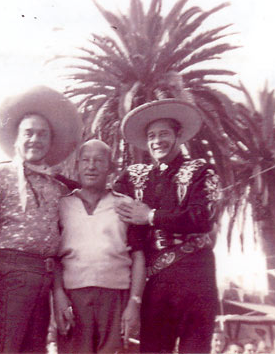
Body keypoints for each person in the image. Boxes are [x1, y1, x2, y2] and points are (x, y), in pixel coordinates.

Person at [0, 86, 82, 353]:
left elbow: (58, 250)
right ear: (17, 139)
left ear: (50, 141)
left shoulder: (58, 189)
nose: (35, 139)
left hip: (42, 284)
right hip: (5, 279)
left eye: (42, 134)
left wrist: (58, 292)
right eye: (29, 133)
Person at [114, 98, 220, 353]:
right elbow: (101, 195)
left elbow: (202, 217)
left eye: (164, 134)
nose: (157, 141)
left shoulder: (201, 171)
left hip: (196, 276)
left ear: (179, 135)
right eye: (151, 135)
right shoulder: (134, 176)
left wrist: (151, 216)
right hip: (155, 284)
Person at [54, 139, 146, 353]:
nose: (91, 166)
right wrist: (58, 295)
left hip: (116, 299)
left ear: (110, 168)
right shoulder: (62, 205)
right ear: (77, 165)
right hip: (73, 298)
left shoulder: (126, 205)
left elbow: (139, 257)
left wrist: (134, 302)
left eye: (99, 160)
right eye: (85, 160)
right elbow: (53, 258)